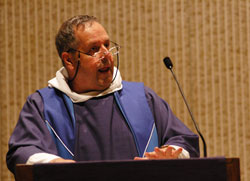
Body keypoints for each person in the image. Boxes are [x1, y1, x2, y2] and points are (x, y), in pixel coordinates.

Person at [6, 15, 199, 174]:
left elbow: (184, 140)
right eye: (94, 49)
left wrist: (170, 154)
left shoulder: (143, 98)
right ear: (69, 60)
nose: (107, 54)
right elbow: (21, 153)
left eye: (107, 45)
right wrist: (56, 165)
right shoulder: (43, 106)